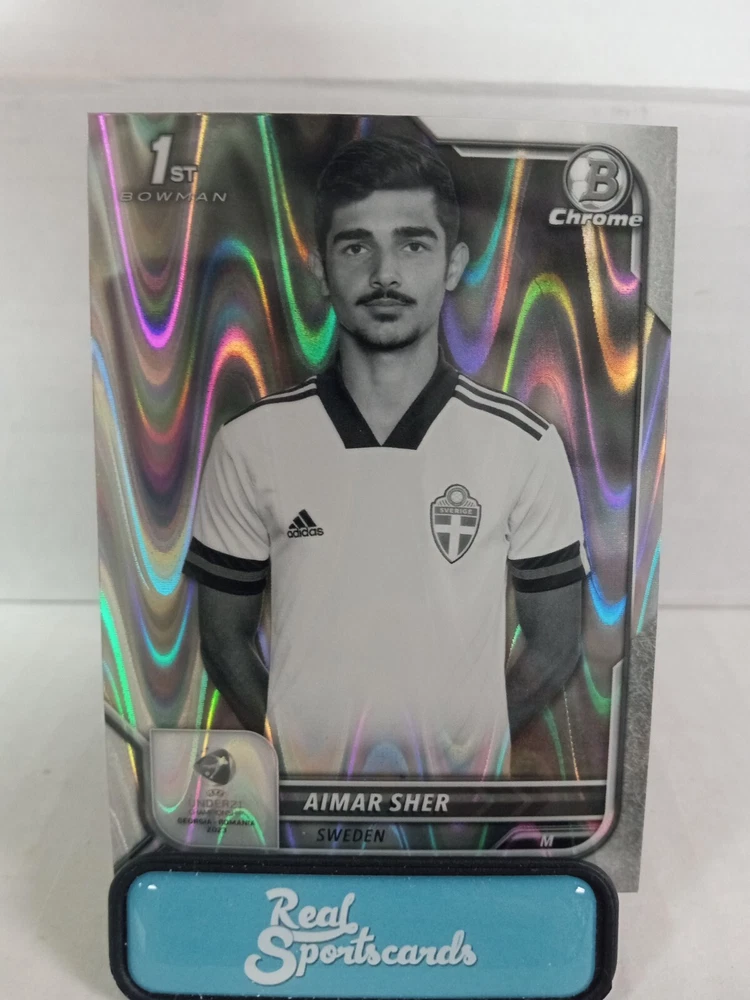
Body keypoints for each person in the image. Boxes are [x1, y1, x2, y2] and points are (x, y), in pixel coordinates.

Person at [183, 135, 587, 779]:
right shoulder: (251, 442)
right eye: (356, 246)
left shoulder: (524, 443)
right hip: (308, 806)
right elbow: (225, 641)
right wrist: (295, 757)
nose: (384, 274)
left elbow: (557, 644)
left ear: (453, 264)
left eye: (412, 244)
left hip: (459, 810)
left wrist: (465, 756)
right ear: (320, 268)